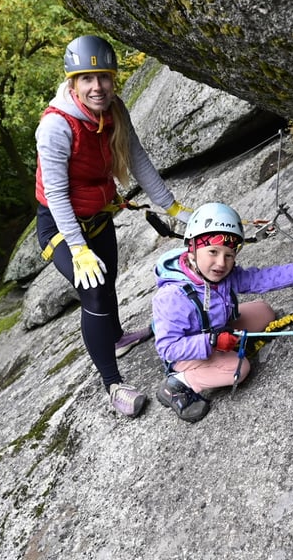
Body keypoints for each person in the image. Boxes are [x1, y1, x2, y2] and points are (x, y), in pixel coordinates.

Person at [35, 35, 192, 418]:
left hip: (99, 214)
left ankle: (118, 338)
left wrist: (173, 207)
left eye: (103, 77)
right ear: (72, 83)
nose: (96, 87)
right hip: (60, 224)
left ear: (113, 78)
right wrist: (77, 248)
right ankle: (113, 385)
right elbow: (55, 193)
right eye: (86, 78)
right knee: (94, 295)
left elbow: (138, 161)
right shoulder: (57, 127)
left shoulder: (115, 111)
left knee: (109, 285)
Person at [151, 202, 293, 422]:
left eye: (229, 255)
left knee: (264, 311)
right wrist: (212, 342)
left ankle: (218, 346)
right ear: (192, 249)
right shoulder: (172, 296)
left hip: (217, 328)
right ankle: (180, 382)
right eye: (212, 252)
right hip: (188, 353)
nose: (220, 263)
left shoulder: (224, 274)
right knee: (239, 368)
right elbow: (168, 348)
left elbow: (260, 278)